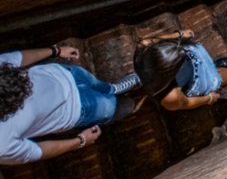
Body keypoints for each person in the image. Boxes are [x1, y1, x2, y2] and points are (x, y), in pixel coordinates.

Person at [0, 44, 140, 165]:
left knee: (101, 85)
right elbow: (38, 151)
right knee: (119, 106)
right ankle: (129, 98)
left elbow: (18, 58)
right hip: (77, 110)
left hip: (65, 73)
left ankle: (114, 88)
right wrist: (80, 141)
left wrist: (55, 50)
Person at [133, 30, 227, 111]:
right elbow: (187, 103)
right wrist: (209, 98)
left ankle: (213, 66)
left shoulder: (144, 46)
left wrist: (179, 34)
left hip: (191, 62)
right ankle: (214, 68)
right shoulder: (170, 96)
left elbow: (153, 40)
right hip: (195, 79)